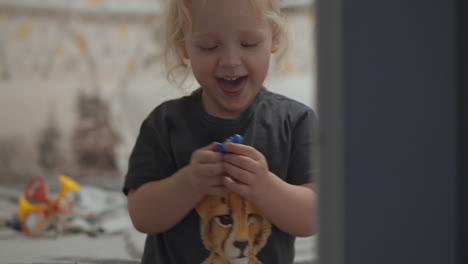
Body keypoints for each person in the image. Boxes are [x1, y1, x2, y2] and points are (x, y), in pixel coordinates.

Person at [123, 0, 318, 263]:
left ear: (274, 38)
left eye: (248, 43)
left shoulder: (297, 122)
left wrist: (264, 185)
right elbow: (142, 217)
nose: (230, 61)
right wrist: (189, 182)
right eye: (209, 46)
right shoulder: (164, 124)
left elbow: (314, 219)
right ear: (184, 47)